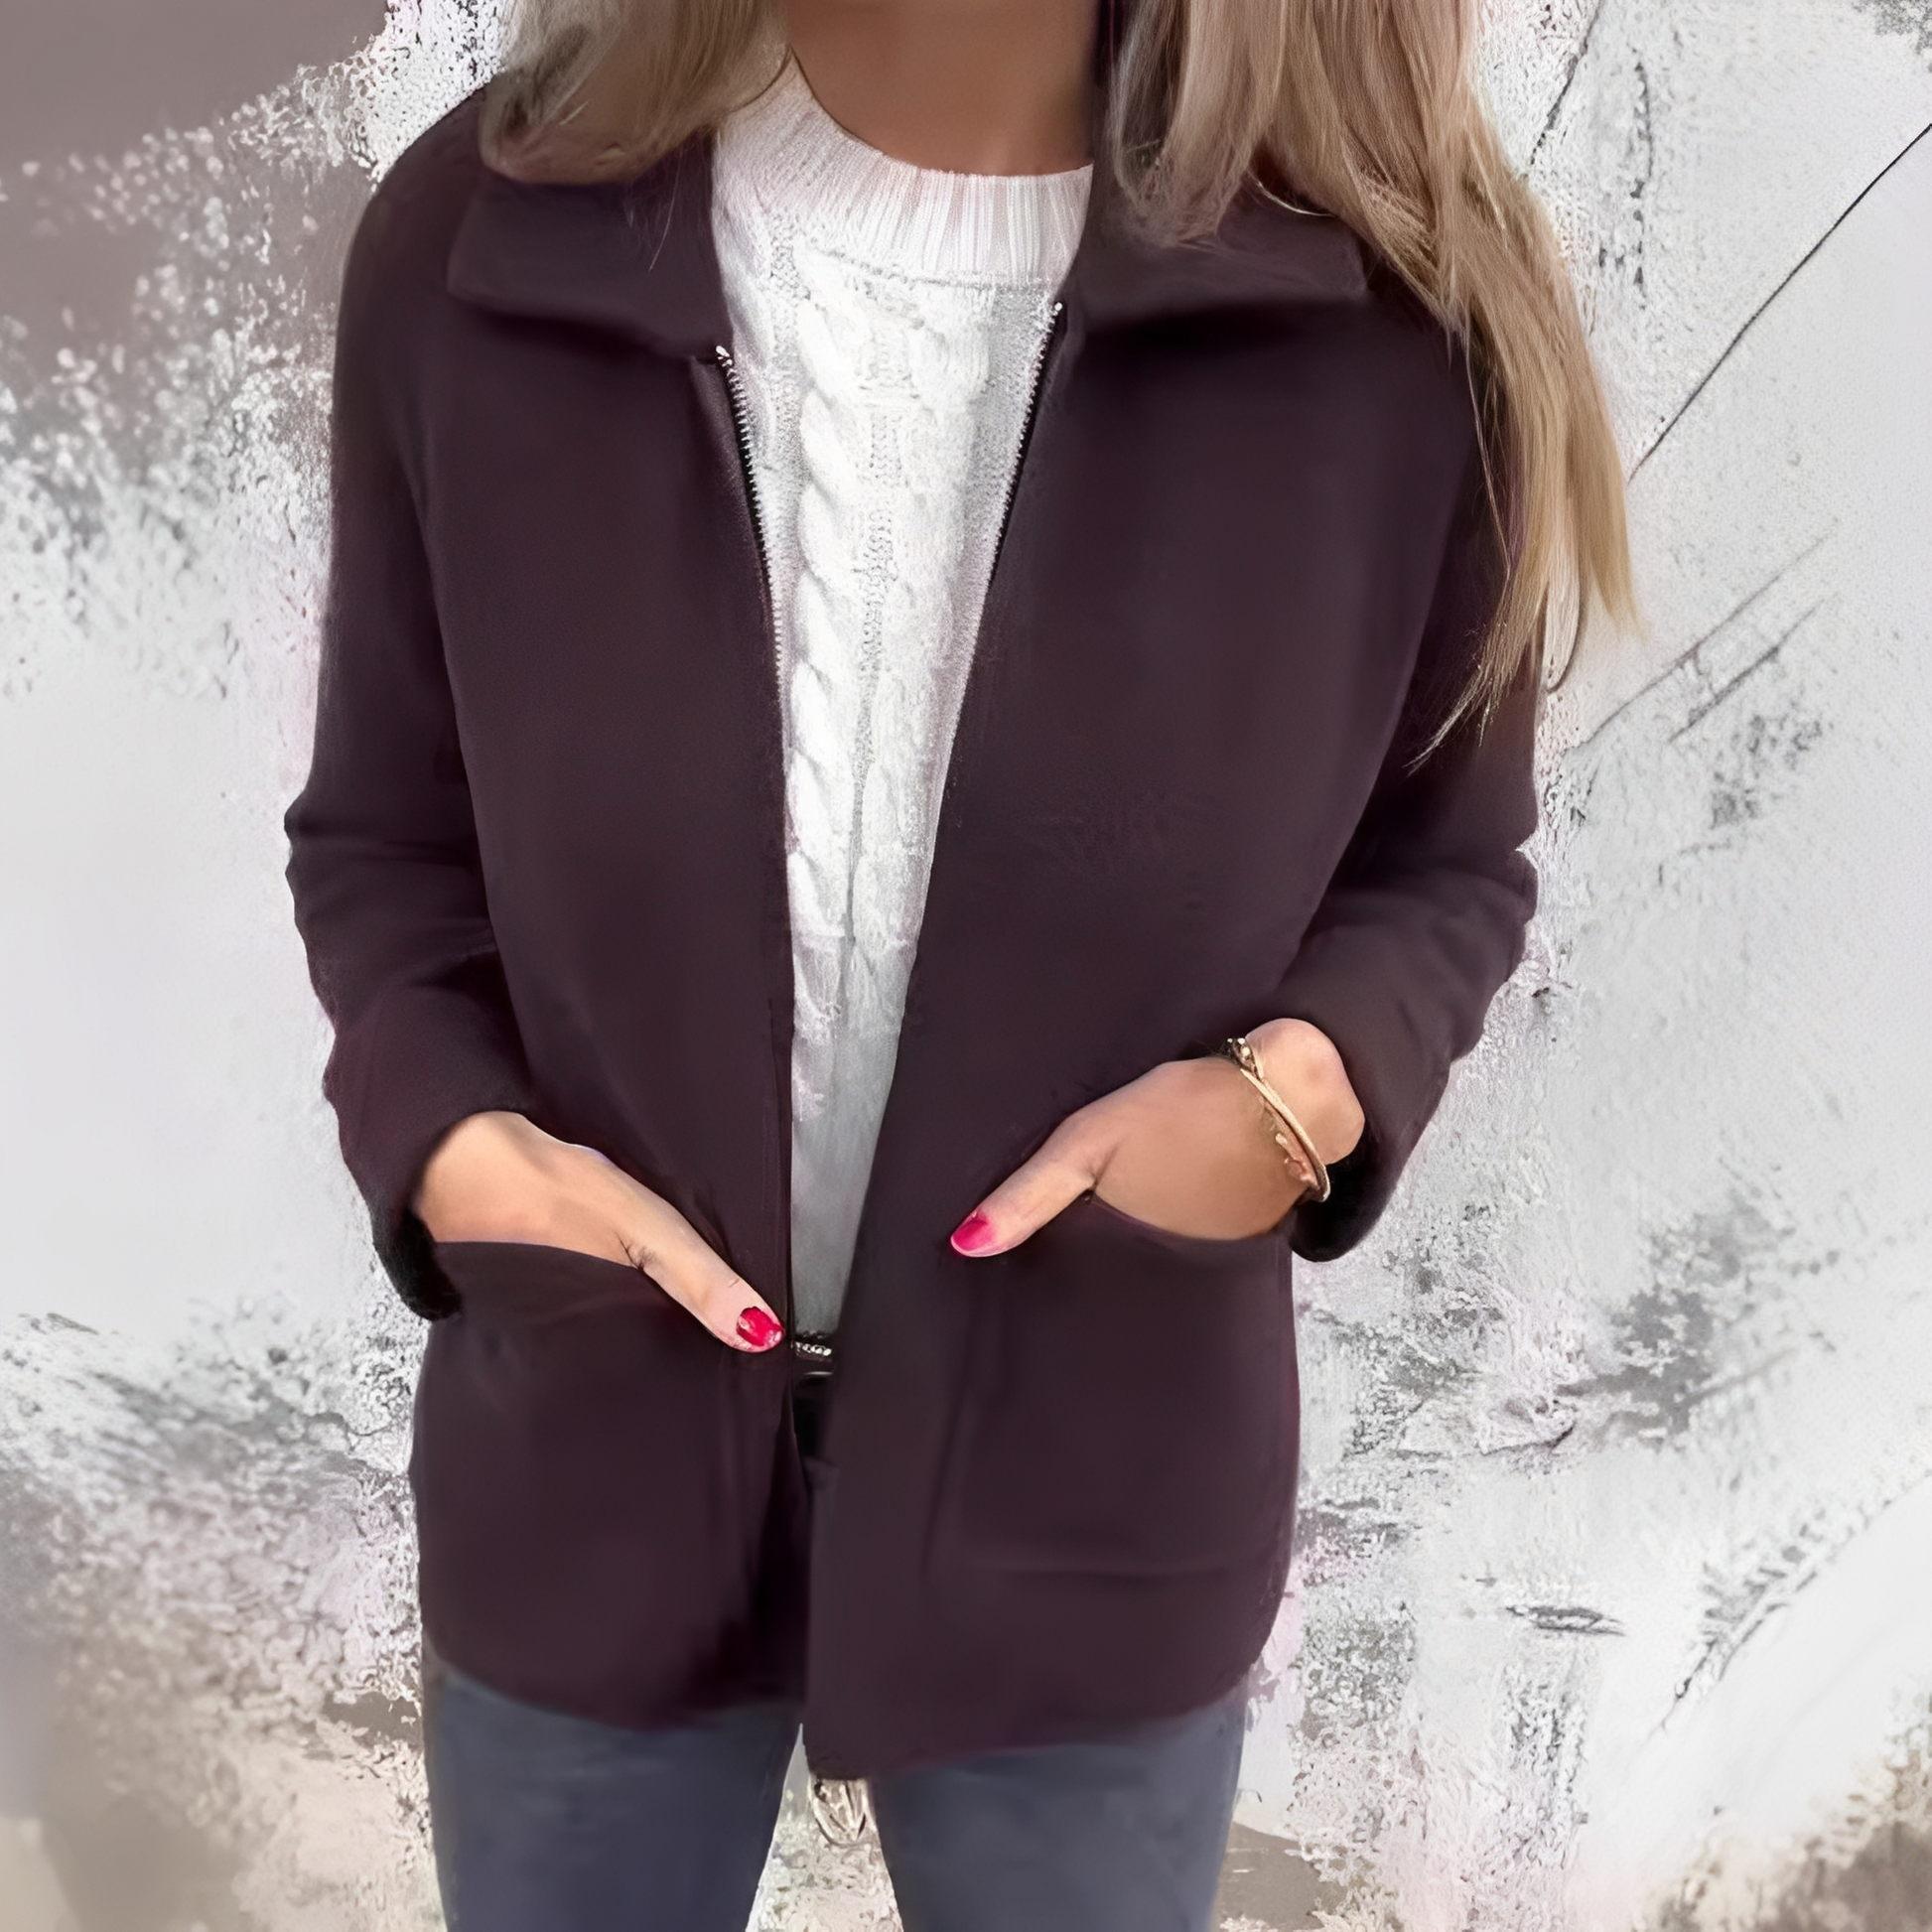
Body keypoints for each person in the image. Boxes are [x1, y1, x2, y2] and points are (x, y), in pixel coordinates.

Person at [281, 0, 1631, 1925]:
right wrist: (453, 1147)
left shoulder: (1398, 303)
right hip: (582, 1457)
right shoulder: (488, 237)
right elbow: (388, 842)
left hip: (1099, 1483)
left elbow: (1443, 863)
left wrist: (1288, 1100)